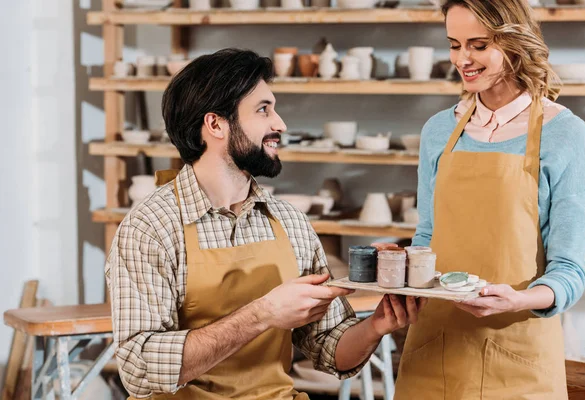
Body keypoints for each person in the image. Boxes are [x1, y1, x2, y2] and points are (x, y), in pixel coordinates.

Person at [105, 48, 426, 400]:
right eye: (263, 110)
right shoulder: (151, 227)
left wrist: (376, 326)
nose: (280, 124)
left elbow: (331, 347)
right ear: (215, 125)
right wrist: (263, 314)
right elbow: (139, 369)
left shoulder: (289, 222)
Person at [395, 1, 585, 399]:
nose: (462, 59)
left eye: (478, 44)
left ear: (514, 43)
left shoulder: (567, 135)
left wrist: (517, 299)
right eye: (454, 45)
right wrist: (400, 267)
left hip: (518, 354)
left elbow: (568, 272)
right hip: (434, 349)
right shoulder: (439, 130)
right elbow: (428, 236)